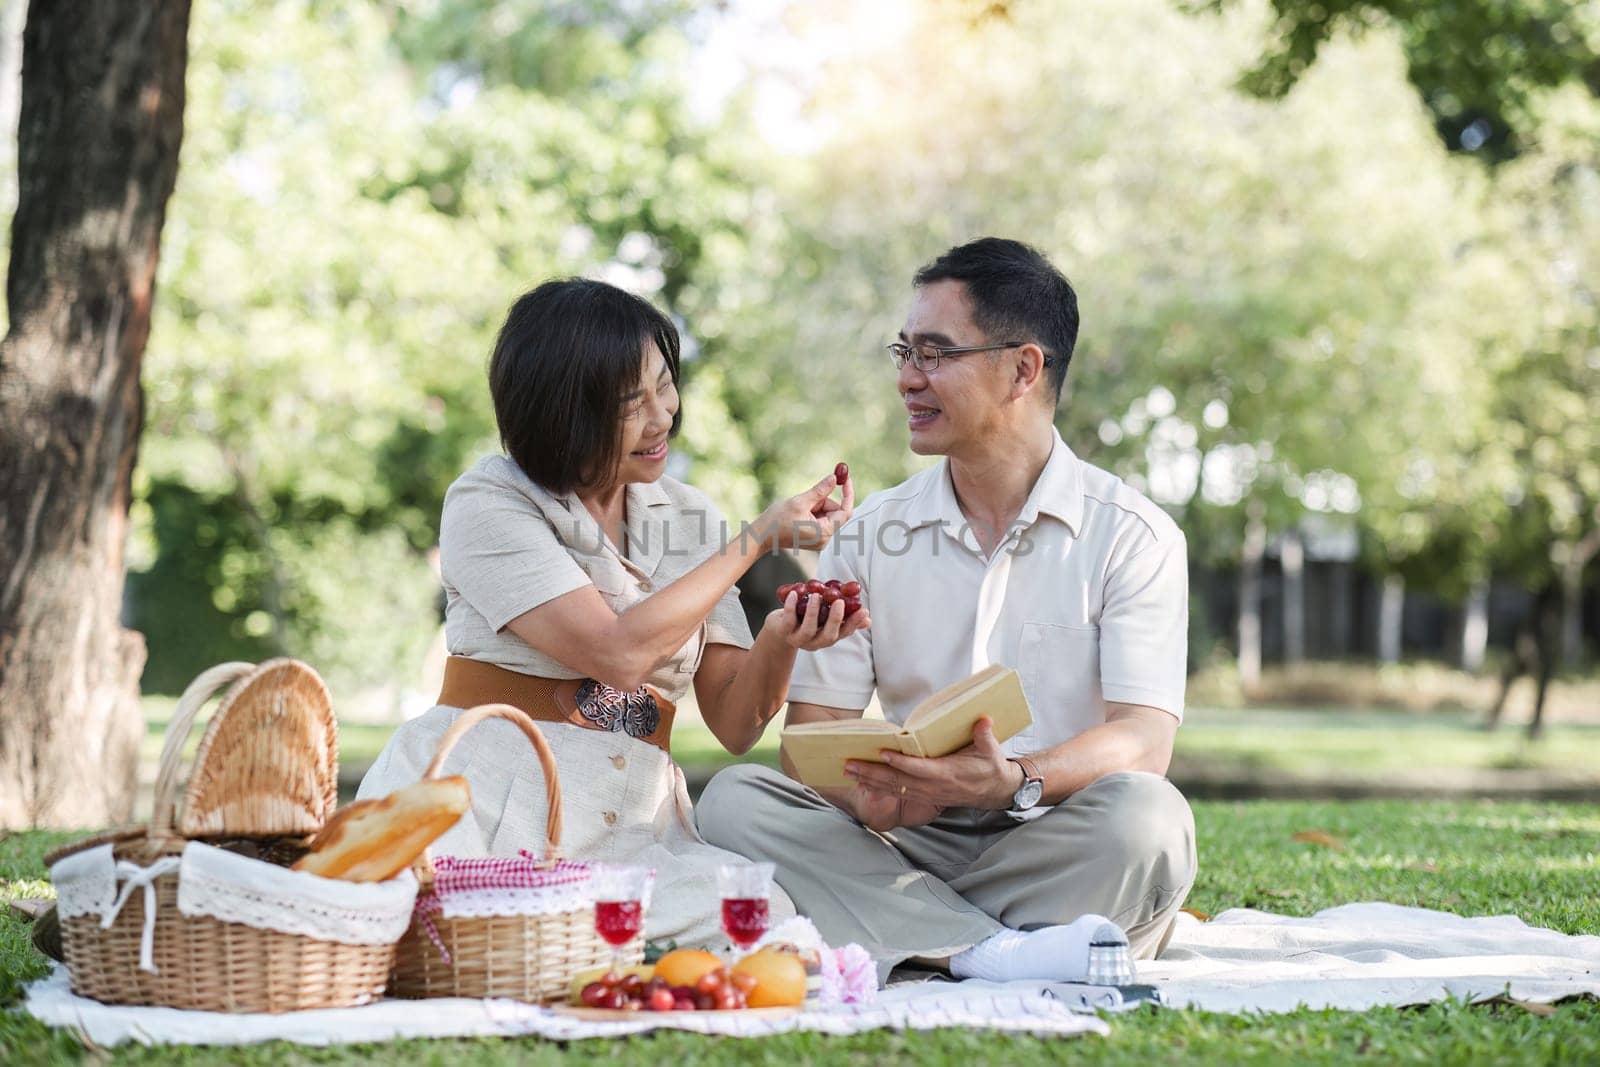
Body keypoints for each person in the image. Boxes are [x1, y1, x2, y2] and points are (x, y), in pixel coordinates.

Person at [698, 238, 1196, 984]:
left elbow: (1141, 741)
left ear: (1023, 369)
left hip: (1053, 832)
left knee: (1150, 820)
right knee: (735, 801)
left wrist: (1015, 778)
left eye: (934, 354)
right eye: (904, 351)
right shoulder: (868, 535)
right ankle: (997, 948)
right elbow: (808, 743)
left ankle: (912, 929)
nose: (906, 378)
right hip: (907, 843)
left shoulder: (1134, 535)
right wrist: (879, 794)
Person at [357, 278, 869, 949]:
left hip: (632, 836)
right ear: (565, 411)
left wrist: (783, 637)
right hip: (482, 811)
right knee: (487, 946)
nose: (663, 416)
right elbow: (618, 654)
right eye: (633, 403)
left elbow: (737, 722)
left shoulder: (688, 517)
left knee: (766, 921)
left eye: (666, 384)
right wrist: (756, 540)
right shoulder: (488, 502)